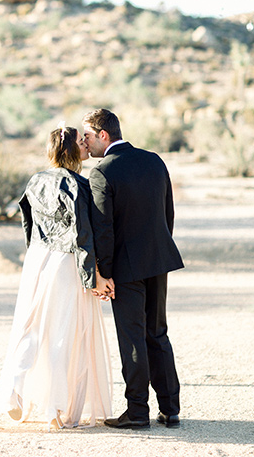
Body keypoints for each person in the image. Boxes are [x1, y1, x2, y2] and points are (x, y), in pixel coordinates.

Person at [0, 125, 113, 432]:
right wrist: (92, 275)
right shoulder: (80, 184)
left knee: (31, 327)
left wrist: (35, 255)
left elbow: (28, 223)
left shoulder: (35, 180)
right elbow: (82, 235)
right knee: (62, 332)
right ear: (72, 150)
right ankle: (54, 408)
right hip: (65, 261)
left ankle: (14, 389)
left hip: (37, 257)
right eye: (81, 142)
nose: (85, 146)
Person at [82, 108, 184, 430]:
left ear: (103, 135)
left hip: (125, 269)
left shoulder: (102, 172)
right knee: (158, 333)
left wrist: (104, 272)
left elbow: (104, 229)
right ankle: (170, 409)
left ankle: (137, 411)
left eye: (87, 136)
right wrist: (159, 247)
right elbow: (167, 213)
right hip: (159, 260)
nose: (85, 144)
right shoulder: (154, 160)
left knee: (132, 339)